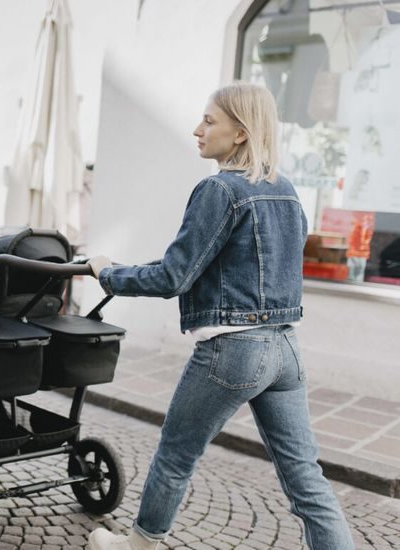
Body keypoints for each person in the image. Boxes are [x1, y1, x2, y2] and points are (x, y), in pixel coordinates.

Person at [87, 82, 355, 550]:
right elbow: (198, 267)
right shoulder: (287, 191)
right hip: (286, 349)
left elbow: (174, 277)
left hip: (233, 351)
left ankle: (137, 546)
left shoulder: (218, 189)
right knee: (305, 478)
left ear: (240, 133)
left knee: (176, 455)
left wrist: (108, 274)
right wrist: (123, 269)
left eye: (209, 120)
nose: (197, 129)